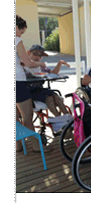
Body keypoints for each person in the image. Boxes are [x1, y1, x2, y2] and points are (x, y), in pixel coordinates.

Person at [15, 15, 51, 152]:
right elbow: (28, 62)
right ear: (16, 27)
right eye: (21, 31)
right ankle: (37, 146)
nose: (21, 34)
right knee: (27, 116)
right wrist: (41, 63)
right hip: (18, 82)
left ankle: (17, 145)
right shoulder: (16, 40)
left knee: (14, 117)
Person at [24, 45, 73, 130]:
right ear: (28, 53)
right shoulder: (23, 65)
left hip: (41, 90)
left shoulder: (41, 67)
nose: (37, 57)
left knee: (57, 98)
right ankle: (60, 121)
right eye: (35, 54)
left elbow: (52, 73)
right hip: (29, 91)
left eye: (40, 55)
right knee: (49, 98)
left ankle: (68, 119)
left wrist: (59, 63)